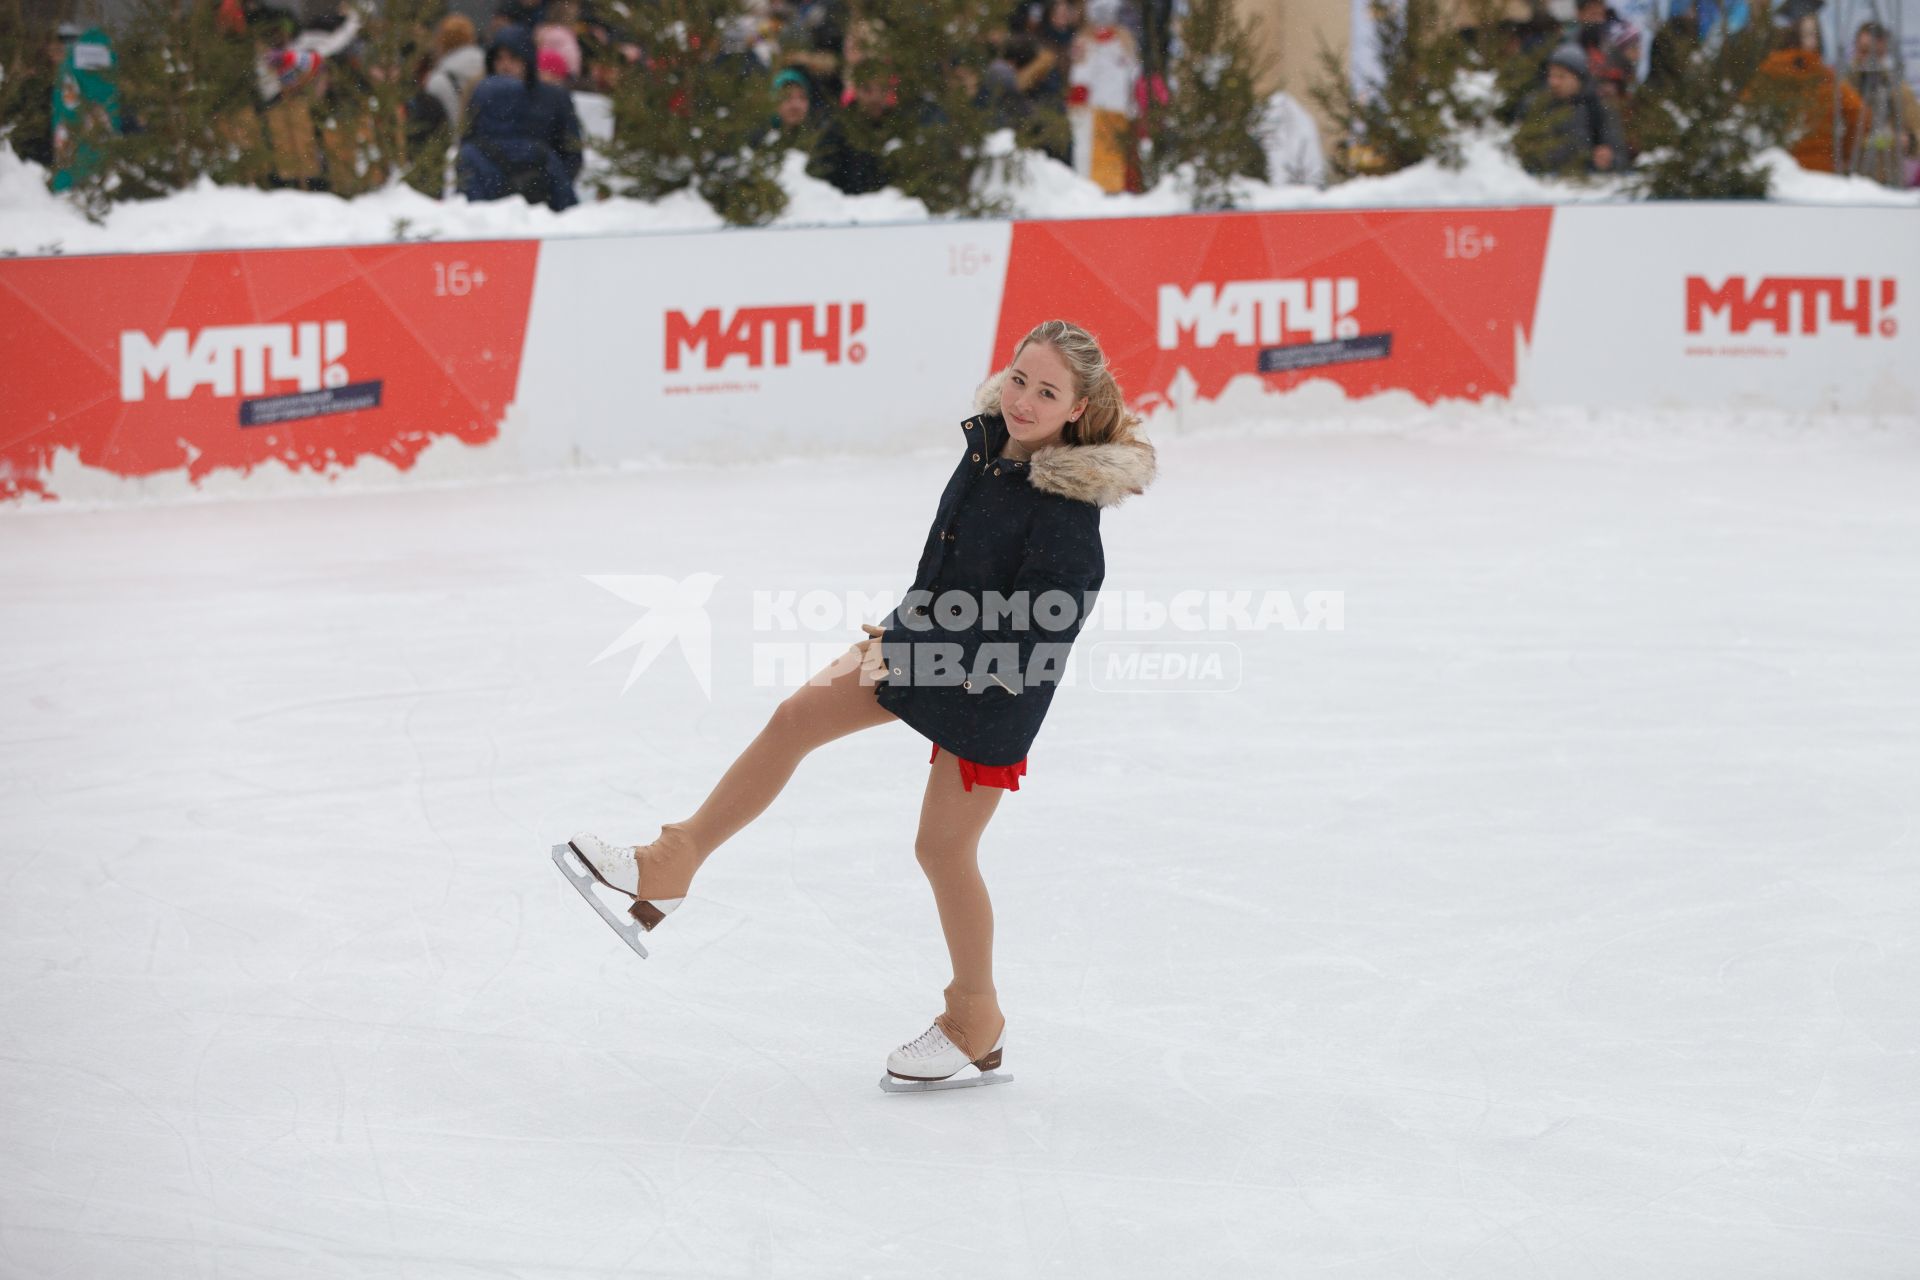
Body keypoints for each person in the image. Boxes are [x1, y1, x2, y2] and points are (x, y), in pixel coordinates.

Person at [559, 320, 1159, 1090]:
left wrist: (975, 662)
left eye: (1048, 392)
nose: (1024, 400)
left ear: (1078, 409)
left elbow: (1057, 613)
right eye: (1019, 378)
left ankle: (976, 1016)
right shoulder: (984, 449)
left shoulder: (1065, 502)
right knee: (794, 719)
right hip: (917, 641)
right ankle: (668, 864)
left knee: (942, 851)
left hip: (990, 688)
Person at [456, 26, 579, 210]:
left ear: (527, 60)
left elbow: (571, 151)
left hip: (543, 201)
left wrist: (546, 184)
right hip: (491, 197)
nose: (505, 65)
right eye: (499, 59)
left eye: (513, 58)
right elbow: (469, 137)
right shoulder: (482, 94)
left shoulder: (553, 98)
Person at [1753, 13, 1864, 174]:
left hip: (1778, 168)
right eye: (1809, 35)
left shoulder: (1769, 70)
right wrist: (1845, 154)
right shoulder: (1826, 76)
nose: (1813, 41)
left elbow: (1746, 112)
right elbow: (1860, 116)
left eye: (1814, 34)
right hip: (1820, 171)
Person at [1521, 43, 1629, 173]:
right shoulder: (1534, 105)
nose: (1553, 82)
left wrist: (1609, 160)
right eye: (1551, 75)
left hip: (1585, 185)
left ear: (1579, 79)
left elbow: (1620, 155)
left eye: (1561, 76)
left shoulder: (1598, 108)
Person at [1846, 20, 1919, 187]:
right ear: (1855, 48)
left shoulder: (1898, 89)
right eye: (1864, 51)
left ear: (1884, 52)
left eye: (1876, 53)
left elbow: (1918, 129)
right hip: (1845, 183)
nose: (1869, 59)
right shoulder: (1841, 87)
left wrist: (1910, 141)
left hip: (1886, 185)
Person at [425, 14, 486, 133]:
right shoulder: (490, 68)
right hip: (488, 147)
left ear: (441, 42)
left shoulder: (438, 80)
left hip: (456, 146)